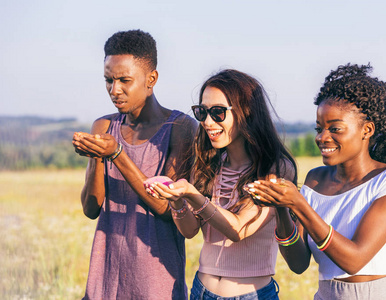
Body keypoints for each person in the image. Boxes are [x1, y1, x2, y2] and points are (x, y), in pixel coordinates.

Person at [246, 63, 386, 299]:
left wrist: (299, 204)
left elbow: (354, 260)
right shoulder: (316, 179)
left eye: (335, 129)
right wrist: (282, 209)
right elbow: (298, 264)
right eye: (319, 128)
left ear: (366, 130)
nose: (322, 137)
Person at [146, 69, 297, 299]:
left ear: (246, 112)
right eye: (202, 112)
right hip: (201, 291)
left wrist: (193, 195)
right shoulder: (209, 165)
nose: (207, 122)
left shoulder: (275, 169)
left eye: (217, 112)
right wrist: (177, 200)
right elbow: (190, 231)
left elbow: (238, 229)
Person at [72, 29, 197, 300]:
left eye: (124, 80)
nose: (114, 90)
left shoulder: (181, 128)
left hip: (156, 285)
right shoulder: (104, 126)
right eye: (108, 80)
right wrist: (96, 155)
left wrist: (116, 153)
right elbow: (91, 208)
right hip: (104, 283)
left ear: (151, 79)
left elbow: (166, 208)